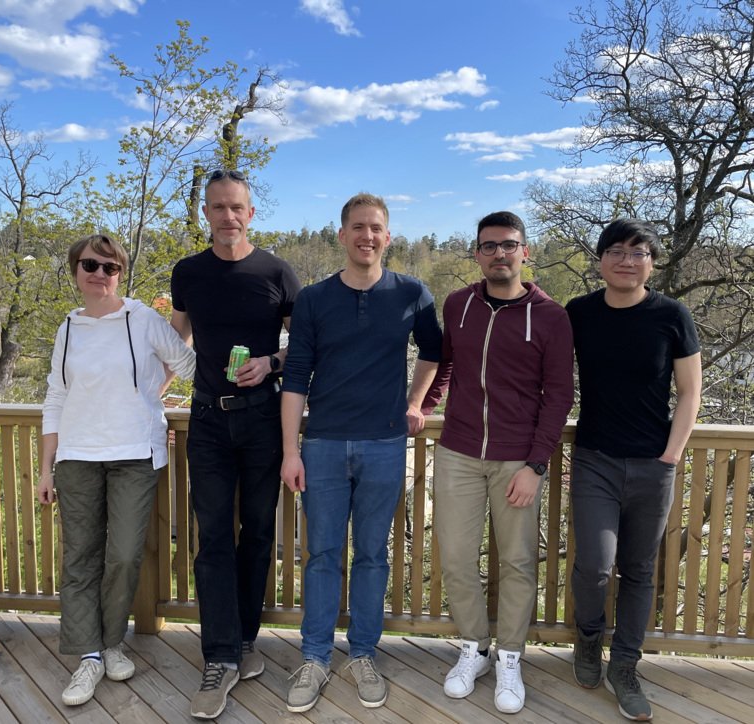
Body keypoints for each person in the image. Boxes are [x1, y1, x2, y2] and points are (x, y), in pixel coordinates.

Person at [280, 193, 443, 713]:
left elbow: (437, 352)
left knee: (372, 554)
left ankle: (364, 653)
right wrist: (291, 449)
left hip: (385, 444)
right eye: (357, 227)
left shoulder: (412, 294)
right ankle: (314, 657)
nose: (366, 236)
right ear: (342, 234)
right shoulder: (313, 299)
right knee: (322, 555)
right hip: (323, 444)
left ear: (388, 237)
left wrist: (416, 402)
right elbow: (295, 375)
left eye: (375, 228)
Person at [422, 211, 574, 714]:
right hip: (459, 453)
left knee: (517, 562)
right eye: (488, 246)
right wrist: (423, 405)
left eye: (508, 245)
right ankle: (473, 648)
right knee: (459, 558)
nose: (498, 254)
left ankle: (510, 656)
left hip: (517, 461)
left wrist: (536, 465)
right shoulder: (459, 305)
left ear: (524, 252)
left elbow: (558, 396)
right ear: (477, 254)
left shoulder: (550, 316)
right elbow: (446, 364)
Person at [39, 234, 196, 707]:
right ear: (75, 271)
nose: (99, 274)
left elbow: (187, 363)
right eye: (90, 265)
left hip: (134, 454)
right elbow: (56, 396)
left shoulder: (143, 319)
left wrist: (153, 388)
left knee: (124, 555)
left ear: (120, 274)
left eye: (109, 268)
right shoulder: (68, 327)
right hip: (76, 456)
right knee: (80, 559)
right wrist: (46, 467)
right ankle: (89, 654)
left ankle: (111, 642)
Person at [170, 169, 301, 719]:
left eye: (236, 208)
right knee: (214, 537)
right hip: (206, 422)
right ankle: (219, 656)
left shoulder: (276, 270)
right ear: (207, 213)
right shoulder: (189, 272)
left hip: (263, 420)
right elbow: (176, 339)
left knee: (260, 533)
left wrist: (271, 363)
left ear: (251, 213)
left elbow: (303, 347)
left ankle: (245, 642)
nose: (228, 216)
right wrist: (151, 394)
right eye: (217, 207)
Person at [568, 218, 701, 722]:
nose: (627, 259)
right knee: (596, 565)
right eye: (617, 250)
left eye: (639, 251)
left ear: (652, 261)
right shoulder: (579, 312)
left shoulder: (671, 314)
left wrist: (671, 454)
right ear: (601, 260)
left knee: (640, 570)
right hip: (595, 458)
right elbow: (545, 366)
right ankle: (587, 640)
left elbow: (690, 392)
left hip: (654, 463)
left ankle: (625, 665)